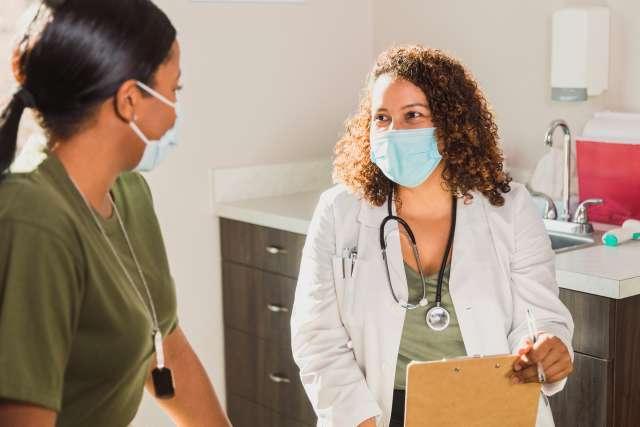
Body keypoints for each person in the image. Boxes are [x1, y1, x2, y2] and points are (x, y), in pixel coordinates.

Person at [290, 45, 574, 427]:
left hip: (490, 406)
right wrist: (358, 419)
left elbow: (539, 316)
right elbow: (316, 336)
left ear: (451, 124)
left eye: (413, 116)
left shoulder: (510, 209)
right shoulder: (339, 212)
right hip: (375, 412)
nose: (394, 132)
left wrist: (546, 348)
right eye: (382, 118)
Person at [0, 1, 230, 426]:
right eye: (173, 90)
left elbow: (167, 346)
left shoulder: (127, 191)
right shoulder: (33, 222)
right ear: (130, 100)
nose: (176, 110)